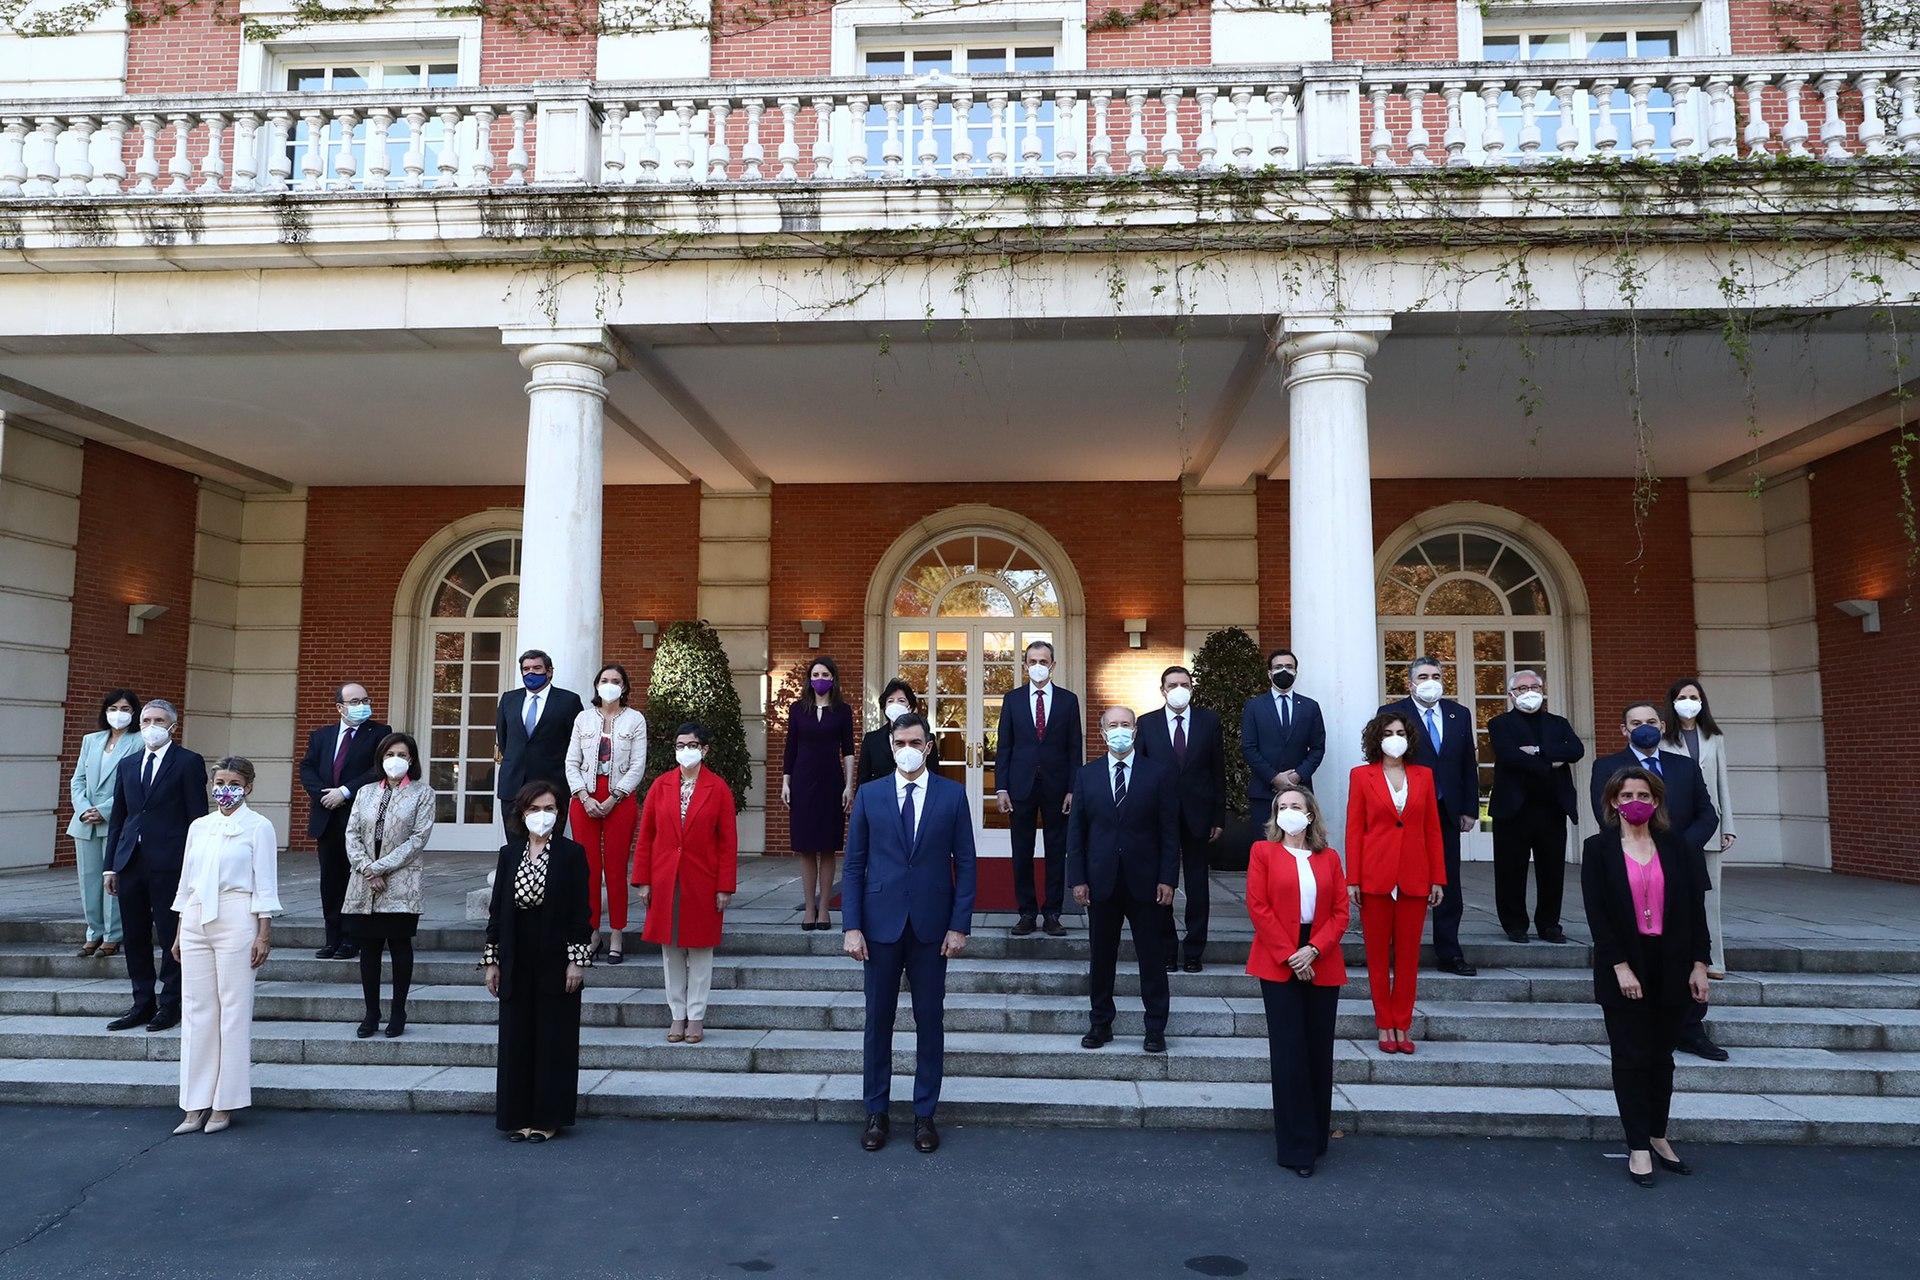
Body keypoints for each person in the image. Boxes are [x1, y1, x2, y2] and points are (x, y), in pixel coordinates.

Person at [843, 712, 975, 1154]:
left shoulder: (952, 796)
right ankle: (876, 1113)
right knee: (877, 1022)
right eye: (900, 741)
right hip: (879, 926)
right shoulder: (869, 794)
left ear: (929, 746)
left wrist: (959, 925)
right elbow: (855, 864)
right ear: (891, 744)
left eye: (915, 742)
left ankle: (924, 1115)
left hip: (931, 928)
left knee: (929, 1022)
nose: (907, 749)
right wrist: (851, 926)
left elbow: (967, 863)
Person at [1581, 765, 1711, 1186]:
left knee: (1662, 1059)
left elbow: (1695, 910)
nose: (1634, 802)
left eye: (1643, 795)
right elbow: (1597, 916)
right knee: (1630, 1057)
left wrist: (1699, 964)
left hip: (1672, 964)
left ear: (1655, 802)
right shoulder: (1597, 849)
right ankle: (1637, 1144)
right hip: (1624, 965)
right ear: (1613, 803)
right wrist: (1619, 966)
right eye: (1626, 796)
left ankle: (1658, 1135)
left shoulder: (1677, 848)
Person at [1590, 701, 1726, 1063]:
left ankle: (1692, 1029)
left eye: (1651, 721)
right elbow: (1604, 818)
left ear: (1663, 725)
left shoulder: (1684, 766)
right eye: (1636, 722)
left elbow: (1707, 813)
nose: (1644, 727)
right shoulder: (1606, 767)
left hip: (1681, 872)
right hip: (1632, 872)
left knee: (1689, 942)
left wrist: (1677, 849)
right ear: (1624, 729)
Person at [168, 756, 279, 1135]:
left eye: (233, 782)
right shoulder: (199, 826)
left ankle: (225, 1102)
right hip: (197, 916)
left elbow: (264, 883)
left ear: (247, 787)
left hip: (236, 914)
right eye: (218, 782)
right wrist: (181, 930)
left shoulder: (258, 826)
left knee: (233, 1009)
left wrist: (263, 933)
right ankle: (194, 1102)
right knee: (198, 1010)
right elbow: (187, 881)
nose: (224, 789)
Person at [1245, 786, 1350, 1177]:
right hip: (1279, 957)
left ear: (1310, 815)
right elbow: (1258, 906)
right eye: (1282, 806)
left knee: (1318, 1052)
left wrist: (1314, 950)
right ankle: (1295, 1147)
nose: (1288, 811)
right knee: (1290, 1054)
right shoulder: (1263, 853)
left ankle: (1317, 1136)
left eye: (1296, 806)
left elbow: (1341, 913)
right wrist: (1292, 954)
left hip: (1320, 956)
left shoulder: (1330, 858)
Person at [483, 781, 592, 1142]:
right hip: (516, 954)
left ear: (559, 814)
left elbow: (581, 913)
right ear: (521, 813)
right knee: (517, 1036)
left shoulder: (572, 854)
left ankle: (548, 1118)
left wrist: (576, 962)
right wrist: (492, 960)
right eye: (534, 809)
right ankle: (516, 1116)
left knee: (552, 1038)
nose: (541, 816)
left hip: (555, 955)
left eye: (549, 809)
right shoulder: (509, 854)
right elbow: (497, 911)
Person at [1068, 707, 1178, 1054]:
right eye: (1112, 725)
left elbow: (1168, 831)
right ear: (1101, 733)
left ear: (1135, 731)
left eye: (1125, 725)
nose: (1119, 730)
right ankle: (1100, 1023)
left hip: (1146, 882)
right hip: (1102, 882)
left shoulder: (1157, 774)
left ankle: (1155, 1027)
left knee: (1152, 956)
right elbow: (1077, 833)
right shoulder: (1086, 776)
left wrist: (1168, 878)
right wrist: (1078, 879)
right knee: (1101, 957)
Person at [103, 699, 208, 1033]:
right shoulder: (129, 764)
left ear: (173, 726)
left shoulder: (188, 762)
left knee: (170, 933)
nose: (151, 725)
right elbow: (119, 817)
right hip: (130, 861)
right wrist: (110, 866)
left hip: (171, 863)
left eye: (158, 720)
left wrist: (196, 866)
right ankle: (141, 1002)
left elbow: (197, 818)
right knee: (134, 935)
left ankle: (171, 1003)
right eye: (146, 719)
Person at [633, 723, 739, 1044]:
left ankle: (696, 1016)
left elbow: (727, 843)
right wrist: (643, 881)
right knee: (671, 951)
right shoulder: (660, 786)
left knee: (700, 950)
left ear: (704, 749)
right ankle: (677, 1014)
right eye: (680, 745)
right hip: (665, 879)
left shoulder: (717, 788)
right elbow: (646, 836)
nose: (685, 750)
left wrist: (724, 887)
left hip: (702, 880)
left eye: (691, 745)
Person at [1346, 712, 1446, 1054]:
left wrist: (1438, 877)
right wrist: (1353, 879)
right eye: (1388, 732)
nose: (1394, 737)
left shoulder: (1424, 775)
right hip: (1375, 876)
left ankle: (1402, 1023)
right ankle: (1383, 1023)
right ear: (1377, 738)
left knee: (1408, 957)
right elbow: (1354, 829)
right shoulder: (1361, 776)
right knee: (1376, 956)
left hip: (1415, 877)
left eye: (1400, 732)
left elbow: (1432, 828)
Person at [1378, 655, 1481, 976]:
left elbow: (1467, 763)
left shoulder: (1458, 714)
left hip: (1447, 809)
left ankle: (1449, 952)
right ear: (1410, 683)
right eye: (1423, 676)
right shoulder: (1392, 714)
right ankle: (1397, 948)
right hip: (1406, 809)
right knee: (1401, 878)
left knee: (1447, 880)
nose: (1430, 680)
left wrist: (1468, 808)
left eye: (1435, 675)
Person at [342, 732, 434, 1040]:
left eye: (403, 754)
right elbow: (352, 832)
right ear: (381, 758)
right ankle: (371, 1012)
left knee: (399, 946)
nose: (396, 759)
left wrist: (381, 867)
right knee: (368, 949)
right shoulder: (366, 792)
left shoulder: (423, 793)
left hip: (400, 880)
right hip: (364, 880)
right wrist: (366, 867)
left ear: (412, 760)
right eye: (390, 754)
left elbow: (418, 839)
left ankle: (398, 1011)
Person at [1135, 665, 1225, 973]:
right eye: (1172, 684)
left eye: (1184, 683)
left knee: (1198, 885)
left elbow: (1217, 772)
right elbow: (1140, 773)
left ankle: (1194, 951)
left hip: (1198, 815)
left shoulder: (1209, 722)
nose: (1178, 688)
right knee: (1160, 883)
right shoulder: (1146, 724)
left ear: (1191, 687)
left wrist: (1218, 816)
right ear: (1162, 690)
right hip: (1158, 815)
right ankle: (1167, 949)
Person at [1487, 669, 1584, 945]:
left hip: (1552, 807)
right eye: (1521, 688)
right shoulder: (1500, 724)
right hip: (1513, 809)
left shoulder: (1558, 723)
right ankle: (1515, 924)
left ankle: (1549, 924)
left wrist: (1536, 751)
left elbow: (1576, 751)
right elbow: (1509, 756)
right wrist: (1551, 760)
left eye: (1534, 686)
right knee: (1510, 870)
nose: (1529, 692)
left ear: (1543, 690)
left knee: (1552, 870)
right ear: (1511, 695)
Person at [994, 640, 1082, 936]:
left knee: (1057, 851)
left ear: (1053, 665)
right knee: (1022, 851)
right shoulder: (1013, 699)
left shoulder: (1069, 701)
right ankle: (1027, 913)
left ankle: (1053, 913)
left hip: (1058, 788)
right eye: (1032, 661)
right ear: (1024, 666)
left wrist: (1073, 788)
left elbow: (1074, 748)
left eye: (1043, 661)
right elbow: (1004, 746)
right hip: (1020, 786)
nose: (1038, 666)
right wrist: (1001, 787)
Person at [296, 682, 390, 960]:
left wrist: (344, 792)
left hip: (359, 816)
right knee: (331, 880)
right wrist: (324, 794)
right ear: (340, 706)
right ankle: (332, 938)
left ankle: (353, 938)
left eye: (365, 699)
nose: (361, 705)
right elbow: (307, 767)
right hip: (327, 816)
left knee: (357, 878)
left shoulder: (379, 733)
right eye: (354, 701)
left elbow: (378, 769)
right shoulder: (322, 735)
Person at [566, 663, 647, 963]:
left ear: (624, 687)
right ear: (596, 685)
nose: (610, 684)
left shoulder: (635, 720)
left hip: (620, 801)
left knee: (615, 868)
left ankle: (616, 934)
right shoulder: (582, 718)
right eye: (604, 680)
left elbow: (638, 765)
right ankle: (592, 933)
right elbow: (571, 761)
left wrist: (614, 797)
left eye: (616, 680)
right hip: (584, 798)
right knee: (586, 869)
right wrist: (584, 797)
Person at [1664, 678, 1736, 981]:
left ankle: (1714, 961)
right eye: (1683, 696)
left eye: (1694, 696)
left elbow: (1723, 784)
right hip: (1675, 826)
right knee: (1674, 894)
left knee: (1710, 898)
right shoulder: (1663, 738)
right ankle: (1680, 957)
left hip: (1708, 824)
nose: (1689, 701)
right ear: (1673, 701)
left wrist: (1727, 826)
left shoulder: (1714, 737)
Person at [782, 656, 856, 931]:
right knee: (805, 846)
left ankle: (824, 908)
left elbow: (848, 749)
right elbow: (791, 747)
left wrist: (849, 785)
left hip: (831, 782)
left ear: (833, 678)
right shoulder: (797, 710)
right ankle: (808, 908)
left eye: (825, 674)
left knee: (827, 846)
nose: (820, 678)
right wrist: (785, 782)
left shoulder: (843, 711)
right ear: (809, 679)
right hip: (802, 781)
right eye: (816, 674)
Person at [68, 688, 141, 959]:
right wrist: (85, 808)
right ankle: (93, 932)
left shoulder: (139, 741)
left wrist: (105, 810)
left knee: (113, 879)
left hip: (116, 820)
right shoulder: (91, 740)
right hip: (85, 822)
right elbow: (78, 780)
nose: (118, 714)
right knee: (89, 880)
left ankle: (113, 935)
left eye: (124, 709)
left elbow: (135, 784)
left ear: (134, 713)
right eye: (113, 708)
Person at [495, 650, 585, 842]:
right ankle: (518, 874)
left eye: (537, 668)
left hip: (552, 785)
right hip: (514, 784)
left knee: (549, 847)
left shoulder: (569, 701)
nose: (531, 673)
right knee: (516, 846)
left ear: (549, 671)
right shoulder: (508, 699)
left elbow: (576, 744)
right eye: (526, 669)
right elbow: (503, 739)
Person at [1240, 648, 1326, 820]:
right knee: (1265, 845)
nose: (1284, 671)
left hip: (1300, 792)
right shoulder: (1254, 706)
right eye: (1278, 667)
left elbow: (1318, 748)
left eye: (1289, 666)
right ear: (1269, 673)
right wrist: (1273, 777)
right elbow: (1249, 748)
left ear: (1295, 672)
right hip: (1264, 792)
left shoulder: (1310, 707)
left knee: (1299, 844)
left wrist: (1298, 775)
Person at [858, 678, 918, 786]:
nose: (895, 704)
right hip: (879, 797)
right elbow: (863, 780)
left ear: (910, 707)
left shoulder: (925, 739)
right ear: (885, 706)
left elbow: (932, 777)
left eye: (901, 701)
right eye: (890, 701)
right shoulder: (871, 740)